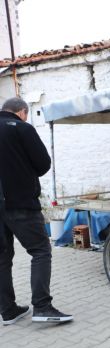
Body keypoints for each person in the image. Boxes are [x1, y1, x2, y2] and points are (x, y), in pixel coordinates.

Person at [0, 97, 73, 325]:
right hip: (20, 202)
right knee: (41, 250)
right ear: (21, 112)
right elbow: (42, 164)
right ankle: (42, 306)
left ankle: (8, 310)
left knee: (2, 258)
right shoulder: (22, 128)